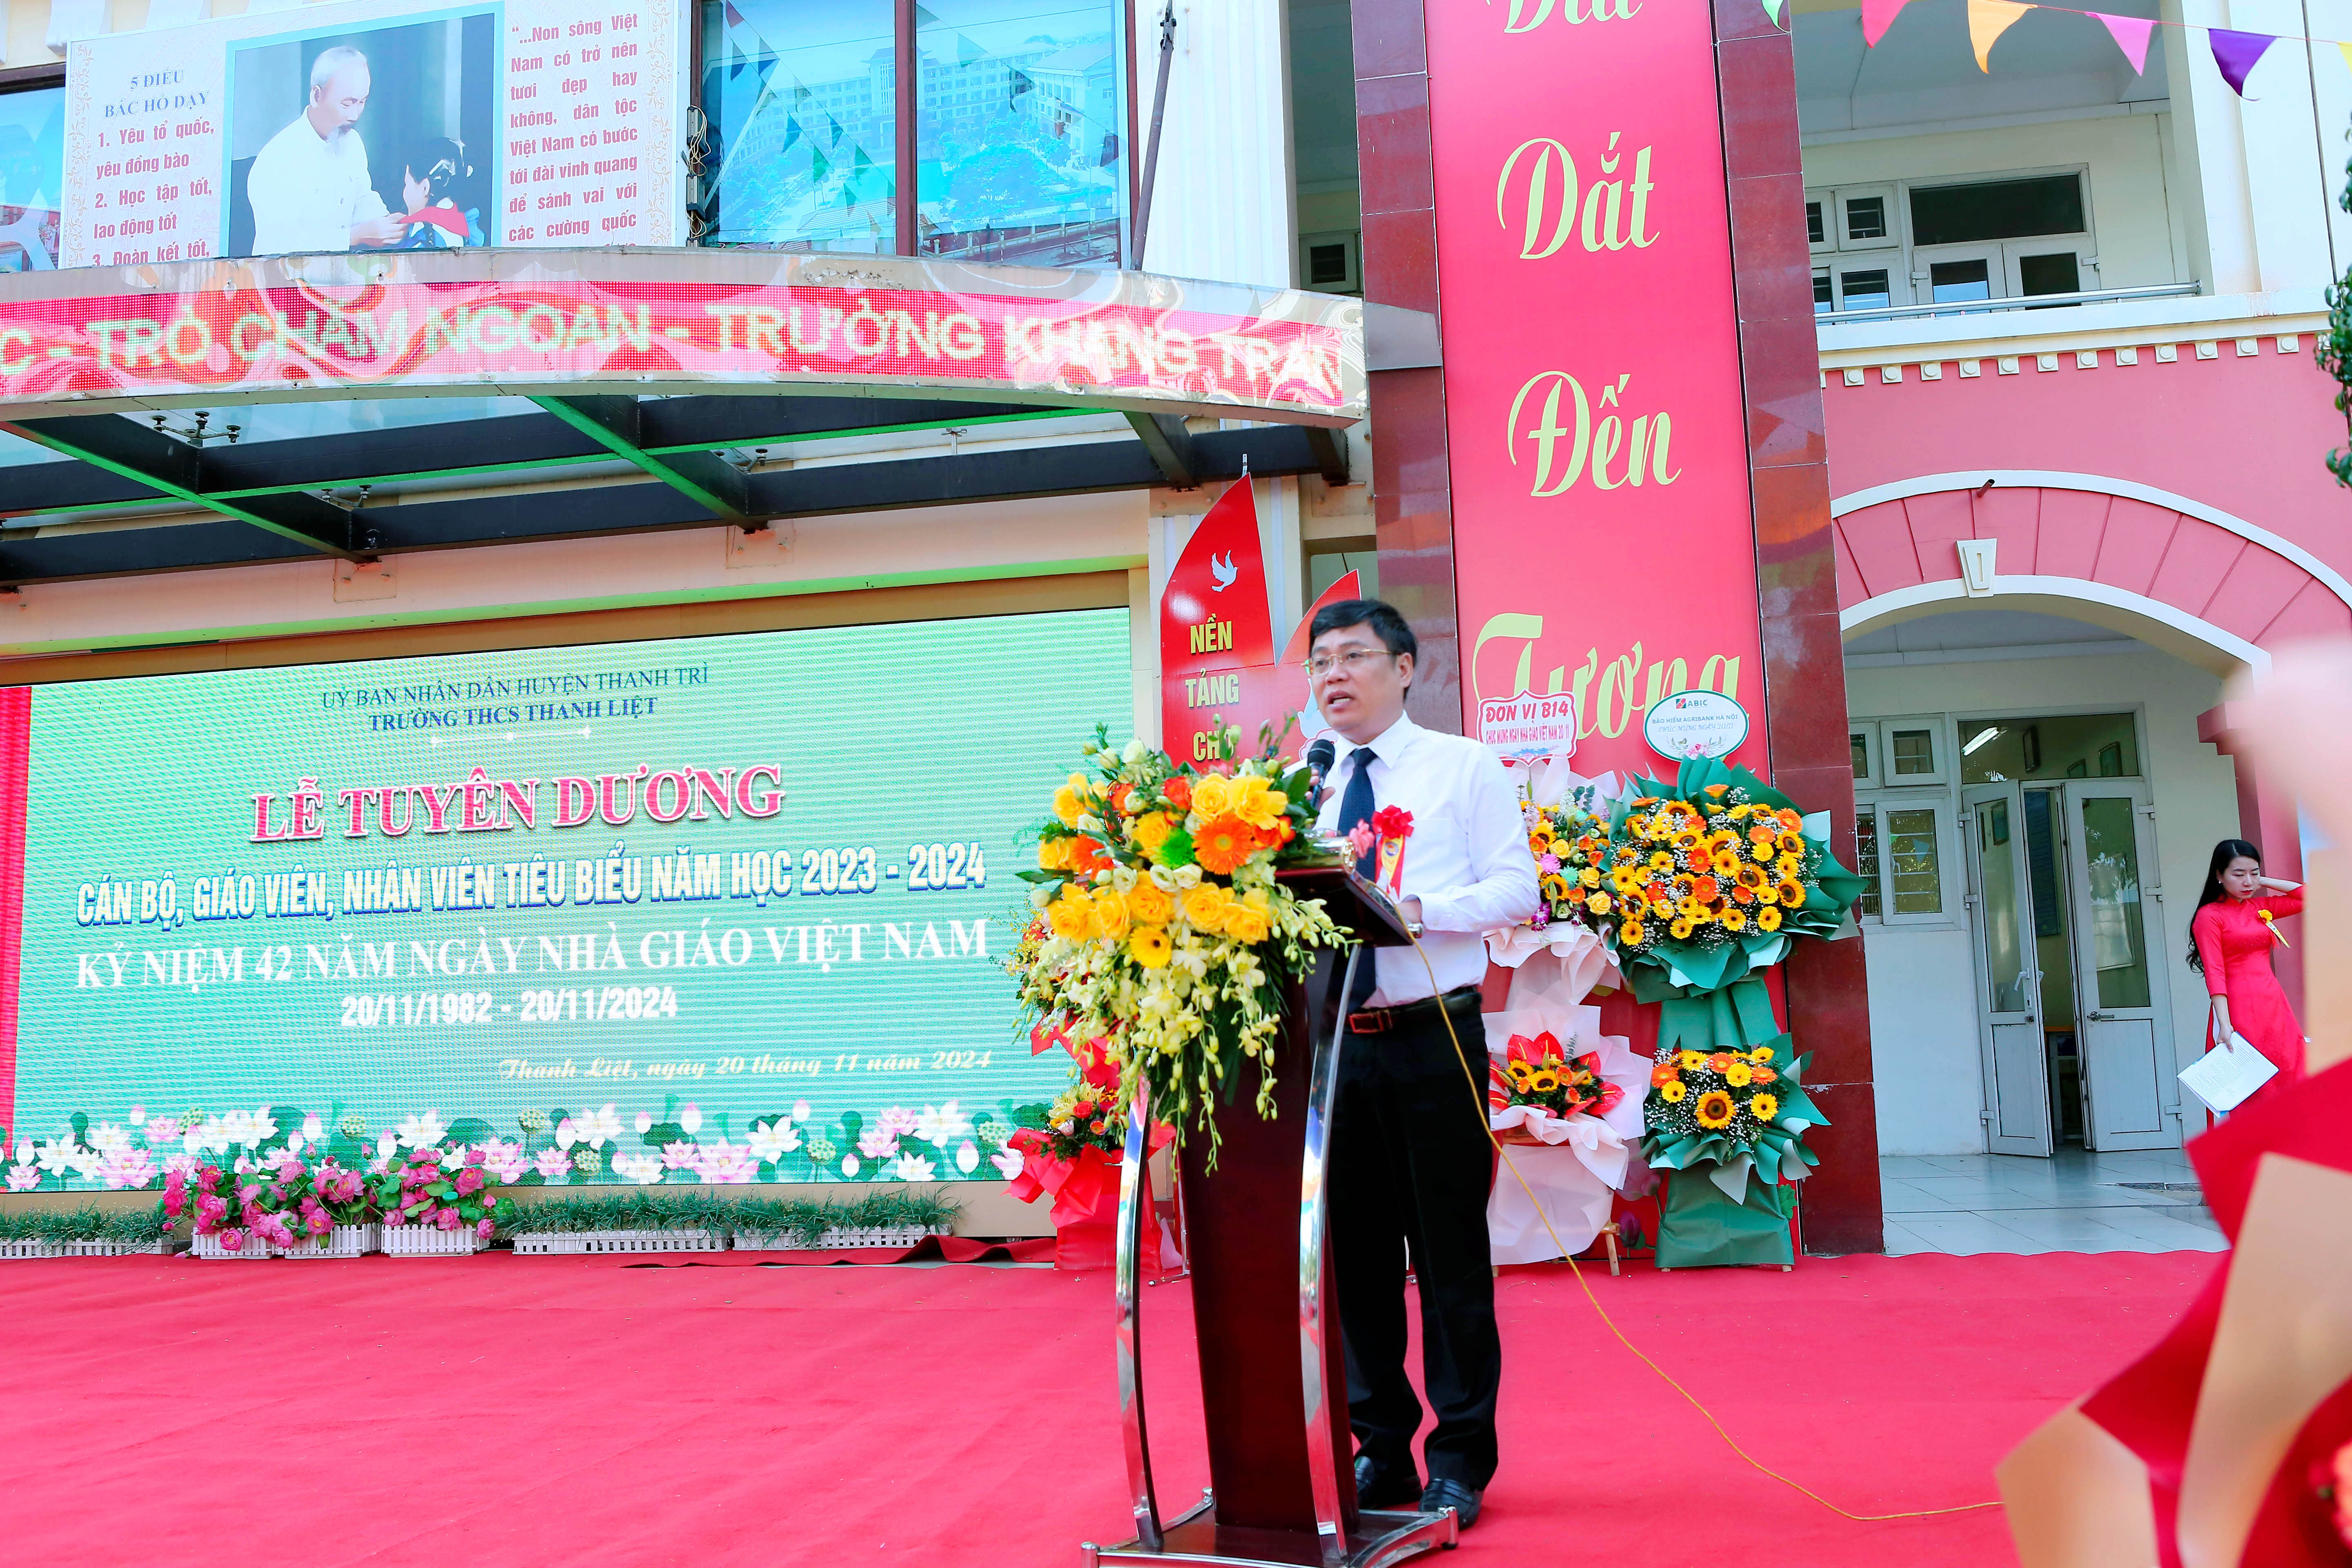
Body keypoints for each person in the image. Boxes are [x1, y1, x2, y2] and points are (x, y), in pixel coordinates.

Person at [1307, 598, 1537, 1531]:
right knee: (1353, 1266)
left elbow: (1516, 889)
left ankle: (1459, 1459)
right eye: (1321, 660)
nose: (1334, 674)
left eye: (1353, 655)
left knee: (1447, 1261)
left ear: (1403, 668)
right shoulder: (1300, 784)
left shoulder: (1462, 765)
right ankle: (1380, 1451)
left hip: (1432, 1037)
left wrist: (1413, 909)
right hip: (1334, 1049)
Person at [245, 45, 404, 255]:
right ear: (316, 96)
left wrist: (388, 225)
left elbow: (363, 198)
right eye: (347, 104)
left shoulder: (353, 142)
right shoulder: (277, 159)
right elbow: (280, 245)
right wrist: (353, 236)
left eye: (362, 102)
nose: (355, 116)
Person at [2188, 837, 2305, 1100]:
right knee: (2253, 1080)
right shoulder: (2210, 916)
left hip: (2273, 1002)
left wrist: (2263, 881)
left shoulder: (2260, 908)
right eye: (2239, 875)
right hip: (2239, 1006)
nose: (2248, 882)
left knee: (2290, 1068)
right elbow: (2215, 972)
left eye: (2254, 873)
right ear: (2219, 876)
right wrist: (2224, 1024)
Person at [391, 138, 483, 249]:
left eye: (407, 184)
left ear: (425, 188)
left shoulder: (420, 239)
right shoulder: (468, 229)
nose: (405, 192)